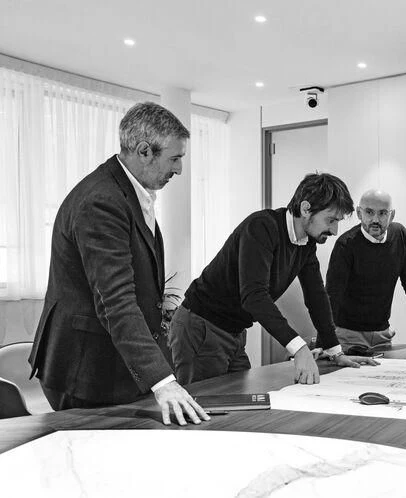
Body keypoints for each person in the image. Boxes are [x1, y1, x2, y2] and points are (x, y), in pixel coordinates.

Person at [28, 102, 208, 426]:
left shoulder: (128, 192)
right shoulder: (101, 201)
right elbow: (116, 300)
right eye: (175, 158)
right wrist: (163, 382)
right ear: (144, 151)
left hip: (112, 361)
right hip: (84, 368)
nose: (180, 169)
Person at [170, 173, 378, 386]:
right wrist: (299, 348)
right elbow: (254, 296)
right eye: (331, 220)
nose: (334, 230)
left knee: (240, 403)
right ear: (306, 209)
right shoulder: (261, 227)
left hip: (233, 332)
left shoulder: (306, 243)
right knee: (208, 407)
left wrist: (335, 351)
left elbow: (316, 296)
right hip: (202, 325)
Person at [326, 189, 406, 351]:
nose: (375, 219)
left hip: (382, 334)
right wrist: (325, 342)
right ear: (359, 213)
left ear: (392, 215)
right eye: (369, 212)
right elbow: (332, 295)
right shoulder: (346, 245)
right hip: (348, 335)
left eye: (383, 213)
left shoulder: (400, 235)